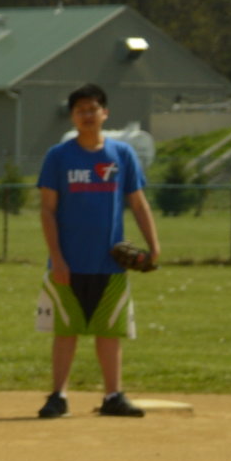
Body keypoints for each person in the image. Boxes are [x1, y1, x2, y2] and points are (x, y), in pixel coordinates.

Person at [36, 83, 161, 419]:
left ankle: (113, 396)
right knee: (66, 331)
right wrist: (57, 258)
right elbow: (47, 210)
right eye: (80, 110)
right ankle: (58, 396)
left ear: (105, 113)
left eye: (93, 109)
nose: (87, 115)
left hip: (110, 263)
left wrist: (154, 245)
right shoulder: (59, 157)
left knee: (110, 332)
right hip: (68, 262)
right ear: (73, 117)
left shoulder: (122, 155)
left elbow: (137, 202)